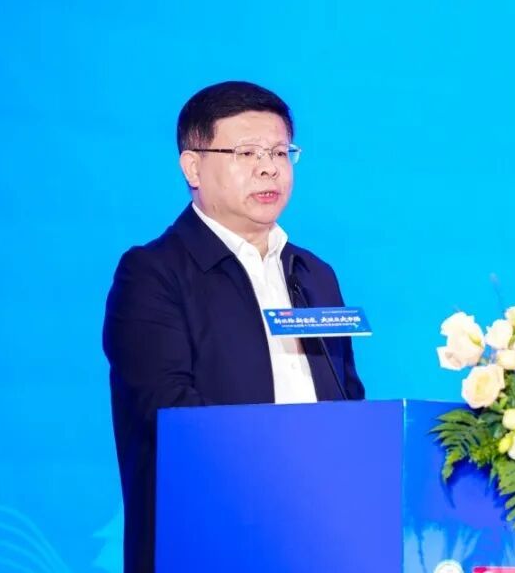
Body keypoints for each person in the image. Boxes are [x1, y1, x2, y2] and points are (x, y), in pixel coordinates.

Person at [103, 81, 366, 572]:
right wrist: (290, 476)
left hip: (321, 539)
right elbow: (168, 415)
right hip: (209, 541)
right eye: (246, 153)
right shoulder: (153, 273)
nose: (269, 168)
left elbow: (349, 402)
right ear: (193, 167)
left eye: (280, 152)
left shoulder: (315, 274)